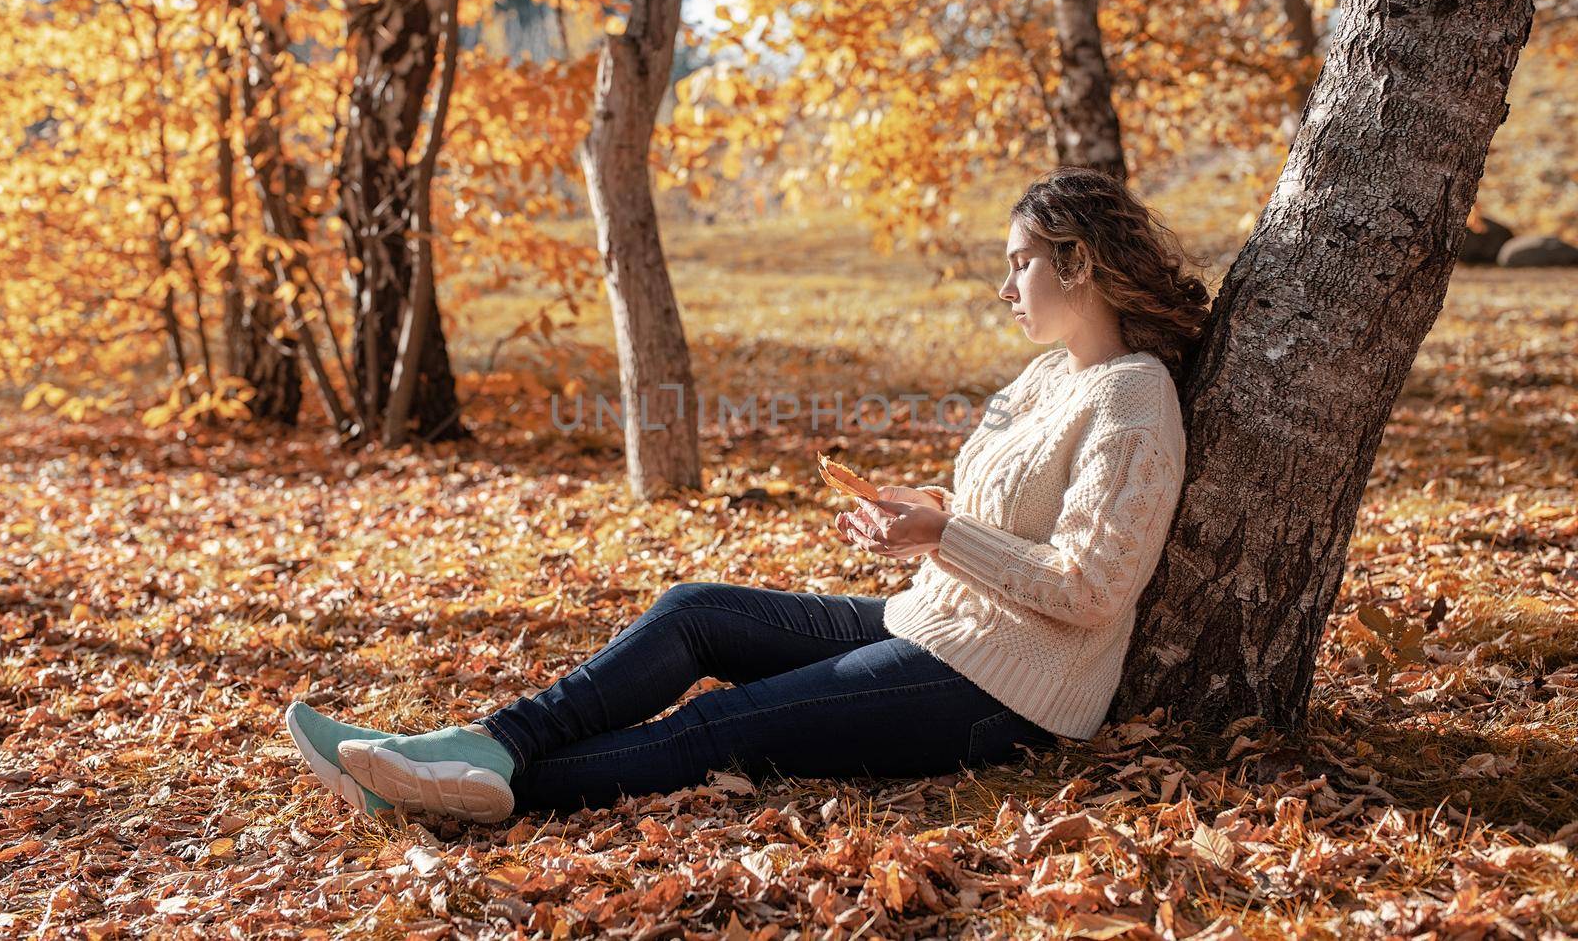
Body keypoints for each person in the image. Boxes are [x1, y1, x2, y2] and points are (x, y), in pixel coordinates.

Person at [284, 166, 1212, 823]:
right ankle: (485, 745)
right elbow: (1007, 511)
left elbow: (1092, 587)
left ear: (1078, 264)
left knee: (718, 726)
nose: (1004, 283)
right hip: (934, 624)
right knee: (694, 614)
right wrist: (922, 515)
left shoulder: (1135, 396)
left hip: (1010, 690)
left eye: (1020, 262)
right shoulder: (1051, 376)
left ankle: (467, 784)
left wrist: (944, 537)